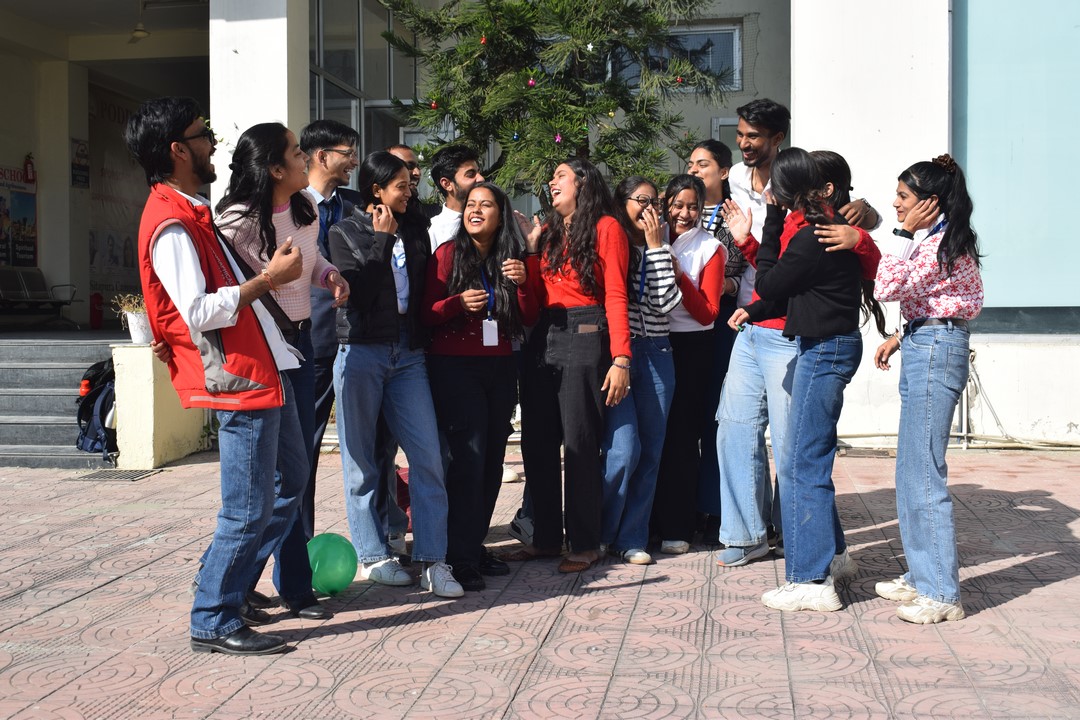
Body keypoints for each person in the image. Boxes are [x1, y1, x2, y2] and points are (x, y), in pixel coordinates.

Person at [126, 96, 303, 655]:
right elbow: (197, 310)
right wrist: (268, 280)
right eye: (203, 135)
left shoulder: (191, 211)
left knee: (290, 482)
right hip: (238, 378)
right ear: (178, 150)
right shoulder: (172, 223)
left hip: (262, 367)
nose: (213, 144)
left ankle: (224, 583)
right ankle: (213, 615)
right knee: (247, 508)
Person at [215, 122, 350, 621]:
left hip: (301, 345)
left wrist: (328, 274)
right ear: (274, 168)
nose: (304, 158)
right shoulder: (234, 223)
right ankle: (229, 580)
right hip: (261, 353)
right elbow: (227, 294)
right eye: (296, 153)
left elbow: (310, 261)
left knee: (294, 473)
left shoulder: (305, 207)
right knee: (280, 478)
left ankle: (290, 586)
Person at [743, 147, 883, 613]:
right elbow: (795, 292)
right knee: (809, 457)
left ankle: (810, 579)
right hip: (827, 344)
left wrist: (768, 222)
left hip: (824, 350)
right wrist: (756, 311)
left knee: (803, 463)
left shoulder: (810, 235)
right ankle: (835, 557)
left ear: (784, 192)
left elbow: (769, 282)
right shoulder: (824, 225)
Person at [328, 150, 463, 598]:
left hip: (408, 354)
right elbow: (360, 295)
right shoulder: (343, 232)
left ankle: (433, 559)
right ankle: (373, 555)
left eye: (410, 184)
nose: (410, 192)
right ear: (376, 190)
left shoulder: (416, 228)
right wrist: (382, 240)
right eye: (401, 186)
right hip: (361, 351)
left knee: (429, 456)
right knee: (362, 461)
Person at [872, 154, 983, 624]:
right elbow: (934, 299)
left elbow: (886, 285)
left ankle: (940, 592)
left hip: (936, 348)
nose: (896, 205)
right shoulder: (938, 240)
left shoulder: (940, 244)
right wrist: (901, 336)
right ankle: (921, 576)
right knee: (910, 469)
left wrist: (900, 234)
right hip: (924, 342)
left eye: (903, 197)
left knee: (923, 470)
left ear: (929, 202)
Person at [509, 157, 631, 573]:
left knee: (579, 443)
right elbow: (531, 306)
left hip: (586, 330)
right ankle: (544, 538)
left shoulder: (607, 227)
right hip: (543, 333)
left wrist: (621, 357)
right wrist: (531, 249)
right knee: (537, 441)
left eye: (560, 174)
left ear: (583, 182)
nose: (551, 181)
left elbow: (616, 293)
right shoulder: (548, 231)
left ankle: (585, 542)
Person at [422, 182, 539, 589]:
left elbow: (529, 315)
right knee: (468, 460)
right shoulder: (447, 254)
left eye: (485, 205)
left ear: (500, 215)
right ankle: (458, 557)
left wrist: (523, 282)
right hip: (455, 367)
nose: (475, 211)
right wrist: (456, 304)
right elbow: (426, 313)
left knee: (491, 461)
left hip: (500, 366)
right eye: (471, 204)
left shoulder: (511, 257)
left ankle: (472, 546)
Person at [601, 176, 681, 565]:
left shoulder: (661, 249)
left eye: (655, 203)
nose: (649, 210)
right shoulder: (611, 243)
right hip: (621, 353)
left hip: (658, 350)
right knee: (622, 448)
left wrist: (656, 248)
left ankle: (632, 537)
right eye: (641, 201)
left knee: (650, 450)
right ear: (622, 203)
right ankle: (601, 532)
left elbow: (666, 303)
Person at [652, 174, 725, 554]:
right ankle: (645, 523)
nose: (684, 213)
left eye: (692, 206)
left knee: (681, 436)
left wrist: (679, 276)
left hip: (692, 347)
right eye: (677, 205)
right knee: (651, 434)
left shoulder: (710, 248)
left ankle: (678, 526)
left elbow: (708, 313)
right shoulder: (652, 235)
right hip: (650, 340)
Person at [299, 119, 360, 540]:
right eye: (347, 153)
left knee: (371, 446)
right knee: (304, 449)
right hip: (313, 341)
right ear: (321, 156)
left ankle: (381, 539)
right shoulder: (289, 206)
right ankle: (298, 548)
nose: (354, 161)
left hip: (362, 340)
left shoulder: (358, 204)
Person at [688, 139, 747, 543]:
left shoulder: (734, 213)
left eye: (703, 164)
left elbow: (742, 265)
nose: (694, 170)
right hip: (680, 324)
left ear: (724, 172)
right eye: (691, 163)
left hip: (722, 322)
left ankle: (713, 508)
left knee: (716, 415)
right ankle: (681, 506)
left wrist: (725, 283)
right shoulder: (677, 209)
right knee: (684, 417)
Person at [428, 144, 486, 251]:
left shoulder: (491, 219)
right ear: (447, 184)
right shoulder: (434, 230)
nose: (481, 179)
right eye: (470, 174)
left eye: (478, 172)